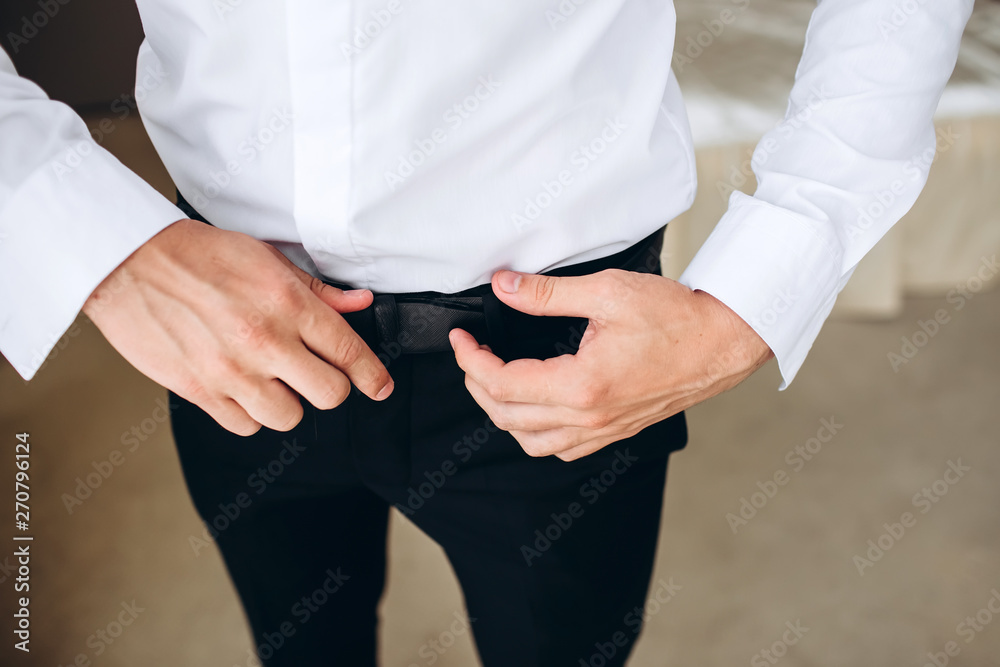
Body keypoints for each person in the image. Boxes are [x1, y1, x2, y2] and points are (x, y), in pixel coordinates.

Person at [0, 1, 972, 665]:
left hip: (567, 340)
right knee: (297, 639)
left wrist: (765, 283)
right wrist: (91, 241)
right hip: (221, 320)